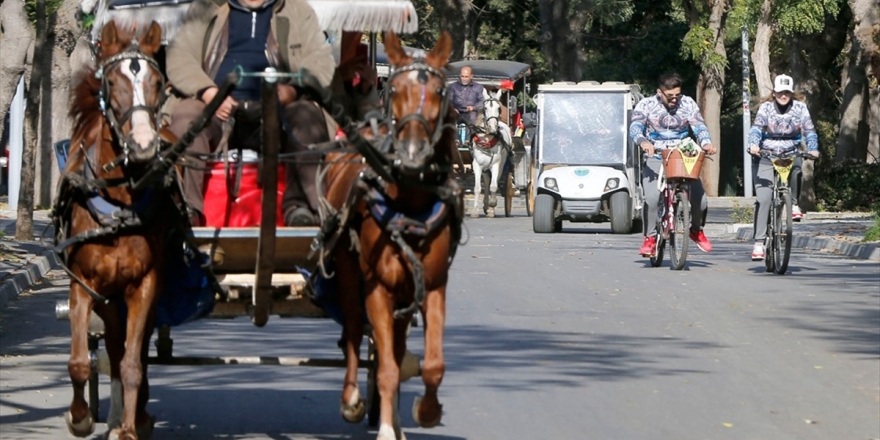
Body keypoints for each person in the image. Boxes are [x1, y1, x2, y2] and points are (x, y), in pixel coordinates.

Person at [165, 0, 336, 227]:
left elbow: (320, 61)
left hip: (278, 110)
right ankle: (187, 208)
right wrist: (208, 92)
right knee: (187, 117)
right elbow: (179, 56)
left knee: (307, 117)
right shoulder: (206, 7)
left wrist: (293, 90)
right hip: (218, 108)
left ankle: (301, 208)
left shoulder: (296, 10)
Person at [629, 72, 717, 257]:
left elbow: (699, 126)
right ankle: (650, 238)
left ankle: (696, 230)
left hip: (683, 156)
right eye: (670, 96)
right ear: (659, 92)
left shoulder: (688, 103)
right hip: (656, 155)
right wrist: (643, 142)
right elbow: (635, 127)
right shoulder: (646, 104)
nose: (674, 100)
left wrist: (706, 142)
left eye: (677, 95)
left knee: (700, 200)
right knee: (651, 198)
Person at [747, 74, 819, 260]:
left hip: (789, 153)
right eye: (780, 92)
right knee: (763, 199)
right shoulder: (766, 108)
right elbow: (756, 128)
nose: (783, 96)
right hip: (765, 154)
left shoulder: (800, 108)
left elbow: (809, 130)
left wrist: (813, 148)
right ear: (774, 93)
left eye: (787, 92)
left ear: (791, 93)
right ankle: (759, 243)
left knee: (797, 168)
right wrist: (754, 144)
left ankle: (793, 203)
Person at [448, 65, 485, 144]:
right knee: (450, 117)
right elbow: (449, 100)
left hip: (471, 111)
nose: (464, 78)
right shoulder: (452, 87)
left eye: (466, 76)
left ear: (471, 76)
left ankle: (468, 140)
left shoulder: (478, 87)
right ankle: (456, 140)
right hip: (457, 111)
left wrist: (474, 107)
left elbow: (482, 101)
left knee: (473, 118)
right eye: (462, 76)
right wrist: (453, 108)